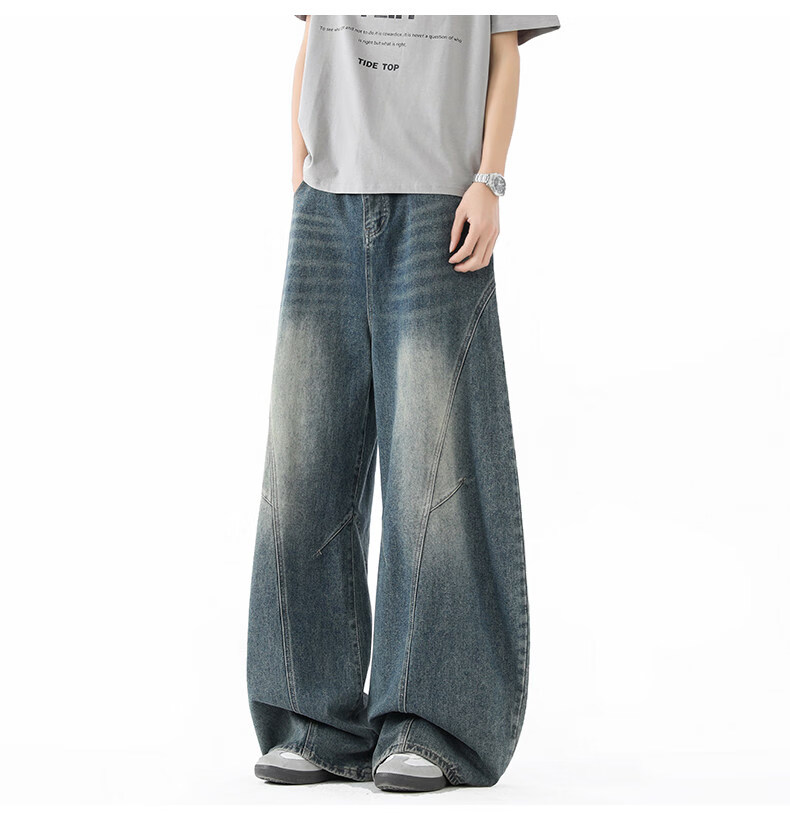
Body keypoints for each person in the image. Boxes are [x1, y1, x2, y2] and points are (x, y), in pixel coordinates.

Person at [247, 13, 561, 792]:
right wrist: (299, 174)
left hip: (439, 204)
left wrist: (490, 181)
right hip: (328, 202)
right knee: (305, 460)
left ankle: (431, 723)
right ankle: (312, 721)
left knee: (432, 467)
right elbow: (315, 38)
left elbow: (502, 51)